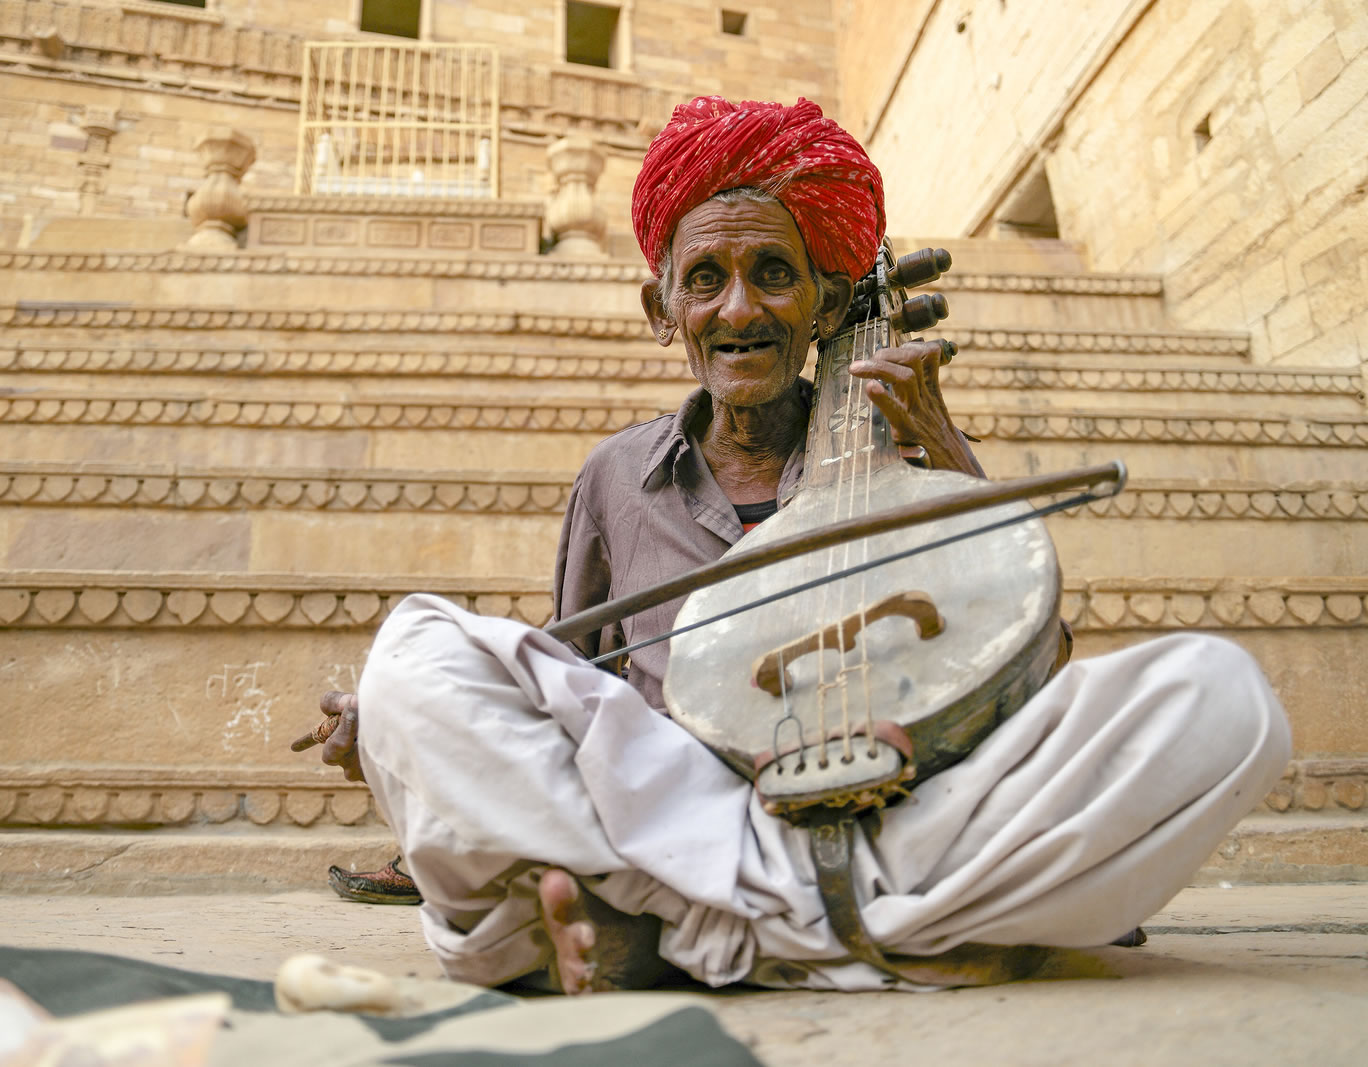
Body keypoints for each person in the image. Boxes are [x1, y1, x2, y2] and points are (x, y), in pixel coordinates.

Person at [302, 98, 1291, 994]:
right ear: (664, 313)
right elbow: (574, 671)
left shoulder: (911, 446)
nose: (739, 309)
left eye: (773, 274)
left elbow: (1034, 669)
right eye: (706, 279)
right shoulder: (613, 477)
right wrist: (392, 727)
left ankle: (684, 929)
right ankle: (866, 925)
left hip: (896, 809)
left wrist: (949, 470)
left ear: (824, 306)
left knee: (1218, 694)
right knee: (414, 650)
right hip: (682, 806)